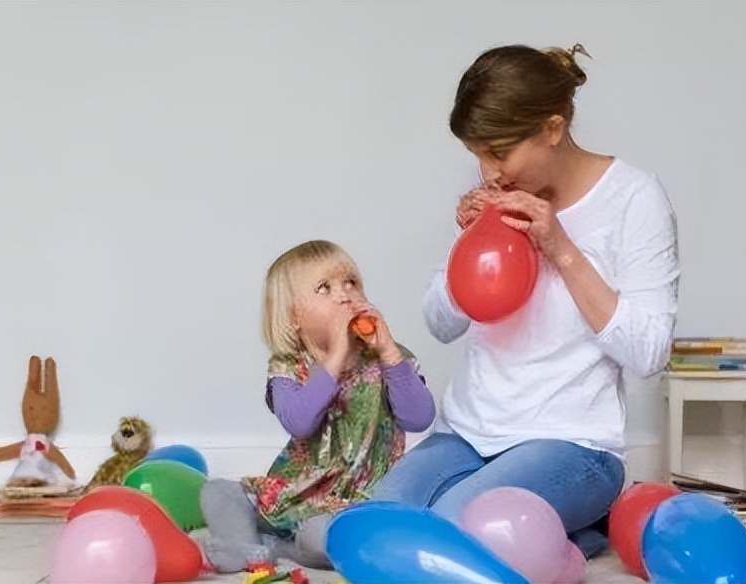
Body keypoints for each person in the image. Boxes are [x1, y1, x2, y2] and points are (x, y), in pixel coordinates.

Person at [370, 43, 680, 565]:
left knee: (455, 532)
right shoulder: (495, 195)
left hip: (573, 444)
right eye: (476, 155)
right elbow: (440, 324)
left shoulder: (634, 199)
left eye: (498, 152)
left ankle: (577, 522)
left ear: (552, 128)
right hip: (468, 434)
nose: (487, 173)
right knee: (381, 520)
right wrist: (466, 249)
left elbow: (650, 353)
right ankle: (568, 533)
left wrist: (560, 248)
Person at [197, 239, 436, 572]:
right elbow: (299, 422)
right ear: (294, 317)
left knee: (329, 538)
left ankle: (279, 549)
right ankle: (244, 546)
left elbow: (420, 418)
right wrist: (337, 355)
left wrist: (390, 353)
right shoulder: (287, 367)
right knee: (217, 491)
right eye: (325, 288)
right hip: (294, 489)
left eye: (351, 283)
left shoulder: (389, 360)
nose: (344, 295)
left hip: (353, 497)